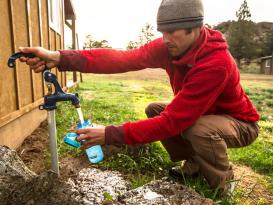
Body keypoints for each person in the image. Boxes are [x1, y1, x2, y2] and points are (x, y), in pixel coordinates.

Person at [19, 0, 259, 194]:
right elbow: (121, 59)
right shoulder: (170, 47)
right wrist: (58, 57)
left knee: (198, 128)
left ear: (195, 28)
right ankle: (194, 164)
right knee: (156, 109)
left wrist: (110, 134)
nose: (165, 39)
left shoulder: (215, 63)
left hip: (238, 122)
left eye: (172, 32)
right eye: (162, 32)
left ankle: (223, 187)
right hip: (204, 114)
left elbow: (173, 122)